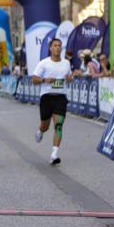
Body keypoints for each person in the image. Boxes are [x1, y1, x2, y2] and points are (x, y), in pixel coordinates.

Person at [32, 37, 73, 165]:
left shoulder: (66, 63)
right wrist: (44, 80)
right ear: (50, 48)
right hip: (47, 97)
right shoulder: (44, 63)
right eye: (55, 45)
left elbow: (69, 78)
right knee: (45, 125)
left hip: (60, 97)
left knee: (59, 125)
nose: (57, 47)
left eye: (59, 45)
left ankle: (54, 154)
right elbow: (34, 79)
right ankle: (40, 130)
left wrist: (70, 78)